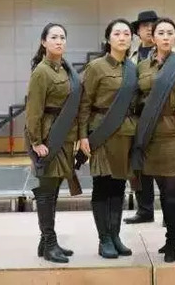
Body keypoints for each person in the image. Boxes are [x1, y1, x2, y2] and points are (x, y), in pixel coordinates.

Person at [130, 18, 175, 263]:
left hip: (174, 134)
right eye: (160, 32)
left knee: (172, 192)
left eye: (169, 33)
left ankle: (172, 241)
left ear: (174, 37)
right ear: (153, 38)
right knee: (162, 190)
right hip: (149, 135)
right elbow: (136, 97)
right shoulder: (142, 66)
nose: (165, 37)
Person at [78, 19, 138, 259]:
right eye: (117, 33)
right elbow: (84, 103)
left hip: (125, 134)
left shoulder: (133, 68)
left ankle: (115, 236)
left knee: (119, 186)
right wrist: (82, 135)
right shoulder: (96, 67)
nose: (122, 38)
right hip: (102, 132)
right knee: (102, 185)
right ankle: (104, 239)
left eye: (126, 34)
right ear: (108, 38)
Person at [25, 22, 81, 263]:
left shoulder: (64, 69)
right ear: (43, 42)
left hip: (64, 136)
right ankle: (49, 243)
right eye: (54, 37)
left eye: (62, 37)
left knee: (54, 189)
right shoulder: (41, 71)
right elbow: (33, 111)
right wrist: (36, 141)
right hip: (48, 137)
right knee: (47, 191)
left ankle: (45, 242)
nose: (59, 41)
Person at [125, 10, 159, 224]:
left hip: (162, 117)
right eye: (144, 25)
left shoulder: (170, 54)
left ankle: (170, 214)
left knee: (165, 167)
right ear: (137, 31)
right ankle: (145, 210)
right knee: (137, 165)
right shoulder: (130, 57)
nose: (149, 28)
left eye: (153, 25)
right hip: (136, 118)